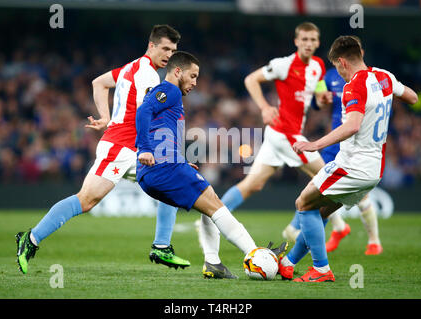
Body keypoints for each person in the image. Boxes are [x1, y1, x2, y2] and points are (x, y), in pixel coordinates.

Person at [15, 25, 191, 274]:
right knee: (86, 200)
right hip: (123, 146)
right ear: (151, 45)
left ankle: (162, 246)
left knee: (169, 185)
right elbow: (147, 114)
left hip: (133, 145)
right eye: (164, 48)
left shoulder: (131, 67)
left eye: (173, 51)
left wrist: (106, 116)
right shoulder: (148, 76)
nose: (168, 55)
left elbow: (99, 83)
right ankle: (30, 239)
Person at [191, 22, 331, 278]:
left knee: (252, 184)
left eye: (313, 39)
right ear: (296, 41)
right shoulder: (284, 64)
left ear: (318, 42)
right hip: (285, 134)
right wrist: (265, 107)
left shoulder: (318, 66)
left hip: (281, 136)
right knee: (328, 182)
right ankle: (297, 232)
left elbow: (319, 90)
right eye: (305, 39)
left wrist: (322, 98)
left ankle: (215, 216)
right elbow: (251, 79)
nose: (309, 43)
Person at [134, 51, 287, 279]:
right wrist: (144, 148)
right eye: (193, 76)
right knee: (216, 206)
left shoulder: (165, 95)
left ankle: (213, 263)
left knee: (209, 205)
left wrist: (180, 160)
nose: (195, 82)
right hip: (163, 167)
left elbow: (160, 129)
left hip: (155, 171)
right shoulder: (171, 90)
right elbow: (143, 111)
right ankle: (256, 254)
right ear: (177, 72)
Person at [278, 35, 418, 282]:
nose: (338, 73)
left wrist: (314, 144)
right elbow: (412, 97)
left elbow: (353, 125)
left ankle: (321, 269)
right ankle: (288, 263)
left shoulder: (353, 86)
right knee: (318, 210)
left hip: (352, 165)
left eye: (336, 67)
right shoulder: (384, 76)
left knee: (303, 203)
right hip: (374, 169)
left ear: (341, 62)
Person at [282, 36, 384, 255]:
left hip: (354, 143)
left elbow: (361, 121)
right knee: (320, 192)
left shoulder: (375, 78)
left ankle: (371, 240)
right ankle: (336, 232)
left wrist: (314, 144)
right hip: (335, 142)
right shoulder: (329, 76)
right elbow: (317, 102)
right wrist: (321, 100)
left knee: (314, 197)